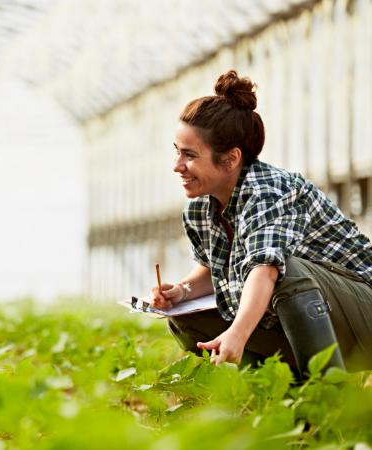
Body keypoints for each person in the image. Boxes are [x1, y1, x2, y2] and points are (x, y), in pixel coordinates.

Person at [151, 70, 372, 376]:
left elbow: (266, 270)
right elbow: (214, 267)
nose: (177, 166)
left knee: (286, 270)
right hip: (308, 316)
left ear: (230, 159)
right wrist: (184, 290)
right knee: (184, 317)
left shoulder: (270, 191)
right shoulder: (200, 209)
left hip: (362, 312)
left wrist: (238, 334)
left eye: (189, 155)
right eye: (177, 152)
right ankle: (277, 395)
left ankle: (327, 398)